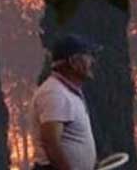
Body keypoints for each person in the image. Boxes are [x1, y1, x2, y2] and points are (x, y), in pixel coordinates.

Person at [31, 34, 101, 170]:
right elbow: (51, 144)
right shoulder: (55, 93)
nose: (93, 61)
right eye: (88, 56)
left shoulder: (67, 92)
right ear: (73, 61)